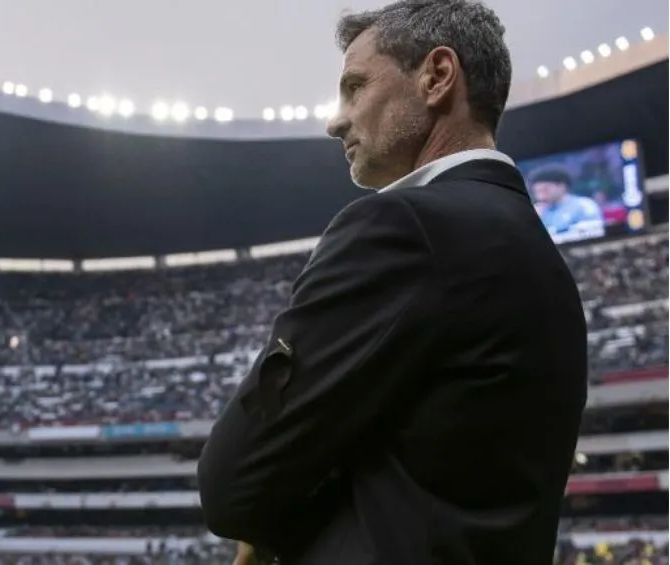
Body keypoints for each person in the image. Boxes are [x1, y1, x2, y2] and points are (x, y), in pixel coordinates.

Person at [196, 1, 588, 564]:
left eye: (355, 87)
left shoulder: (402, 226)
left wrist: (273, 524)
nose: (335, 121)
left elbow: (231, 483)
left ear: (437, 76)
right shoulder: (542, 259)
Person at [528, 166, 605, 235]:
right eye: (537, 192)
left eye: (545, 190)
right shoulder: (538, 211)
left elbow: (595, 232)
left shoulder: (584, 205)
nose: (541, 197)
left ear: (562, 186)